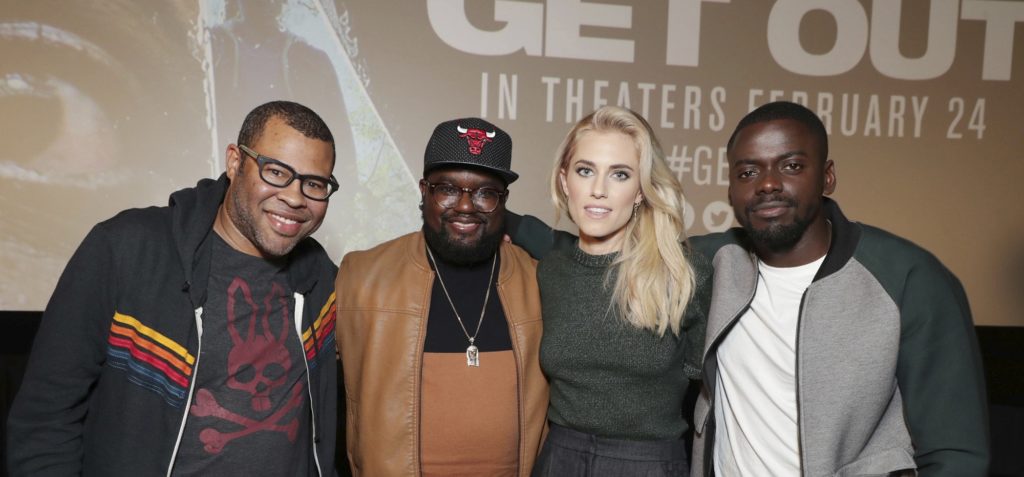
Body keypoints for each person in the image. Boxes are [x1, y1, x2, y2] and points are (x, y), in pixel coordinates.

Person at [7, 101, 341, 476]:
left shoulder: (323, 282)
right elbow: (44, 420)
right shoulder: (126, 250)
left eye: (314, 184)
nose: (295, 198)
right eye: (276, 171)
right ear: (234, 162)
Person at [690, 101, 989, 476]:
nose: (767, 183)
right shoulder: (712, 264)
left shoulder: (908, 277)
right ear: (731, 191)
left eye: (792, 166)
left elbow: (956, 451)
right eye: (748, 171)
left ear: (827, 177)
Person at [335, 117, 547, 476]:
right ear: (424, 190)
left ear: (504, 201)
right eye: (447, 188)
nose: (465, 206)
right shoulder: (360, 277)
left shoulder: (541, 282)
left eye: (485, 193)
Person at [516, 106, 710, 476]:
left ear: (641, 190)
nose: (599, 190)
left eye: (619, 174)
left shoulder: (682, 274)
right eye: (585, 170)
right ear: (564, 180)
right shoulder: (549, 274)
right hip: (560, 460)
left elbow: (708, 393)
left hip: (650, 464)